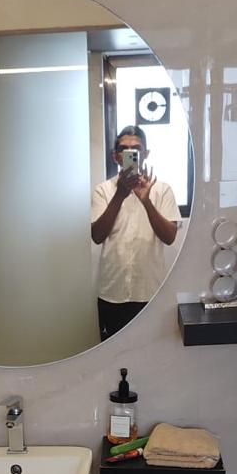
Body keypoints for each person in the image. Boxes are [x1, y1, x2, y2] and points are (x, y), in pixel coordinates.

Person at [91, 125, 181, 339]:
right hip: (112, 292)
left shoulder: (162, 190)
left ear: (146, 154)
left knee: (151, 352)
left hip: (150, 292)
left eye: (136, 149)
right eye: (124, 149)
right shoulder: (103, 191)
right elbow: (97, 236)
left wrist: (146, 201)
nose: (130, 153)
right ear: (115, 156)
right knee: (111, 352)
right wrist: (120, 195)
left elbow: (169, 237)